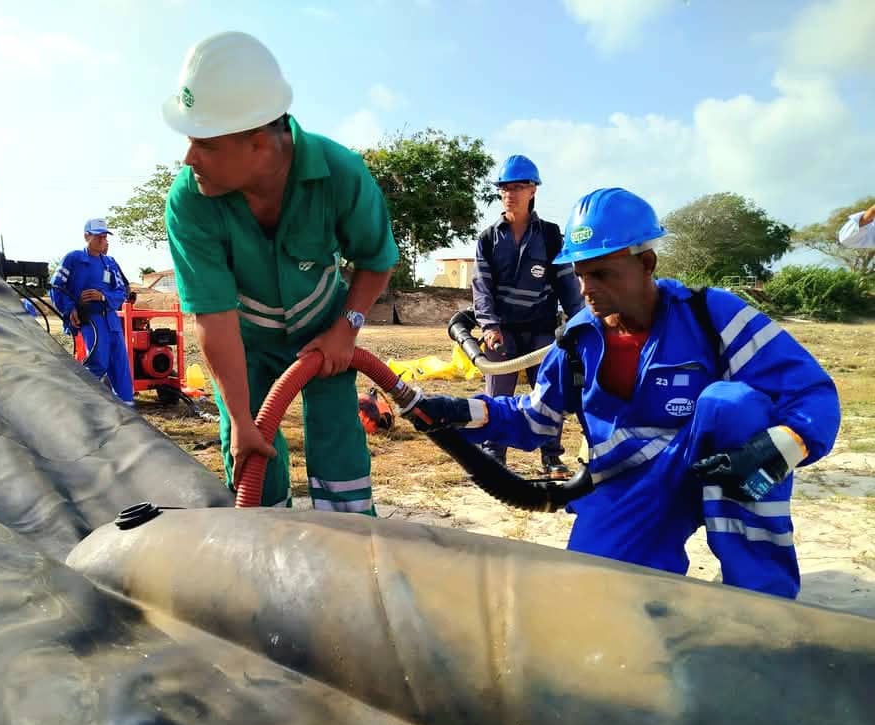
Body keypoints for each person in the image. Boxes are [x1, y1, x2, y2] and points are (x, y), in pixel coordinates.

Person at [409, 187, 840, 599]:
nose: (586, 288)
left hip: (720, 468)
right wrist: (459, 411)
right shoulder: (577, 341)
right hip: (632, 488)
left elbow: (811, 393)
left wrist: (787, 443)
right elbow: (535, 420)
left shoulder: (714, 317)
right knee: (597, 596)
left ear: (646, 263)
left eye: (601, 273)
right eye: (580, 274)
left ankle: (761, 603)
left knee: (731, 405)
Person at [162, 32, 398, 512]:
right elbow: (213, 314)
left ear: (258, 145)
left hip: (323, 336)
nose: (189, 158)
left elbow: (377, 261)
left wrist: (346, 329)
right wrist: (241, 417)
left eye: (203, 143)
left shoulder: (341, 174)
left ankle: (352, 551)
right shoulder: (189, 202)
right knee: (251, 458)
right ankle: (265, 554)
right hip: (243, 345)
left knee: (339, 451)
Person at [472, 154, 583, 476]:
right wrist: (489, 325)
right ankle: (494, 457)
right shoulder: (489, 238)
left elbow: (567, 286)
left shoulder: (550, 236)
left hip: (541, 331)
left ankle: (551, 457)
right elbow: (482, 286)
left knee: (549, 393)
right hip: (502, 331)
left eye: (519, 187)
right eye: (505, 187)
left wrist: (578, 325)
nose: (511, 193)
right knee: (497, 396)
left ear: (533, 190)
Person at [49, 218, 135, 406]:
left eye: (104, 236)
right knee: (98, 361)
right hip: (91, 320)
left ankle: (127, 407)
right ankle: (81, 405)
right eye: (97, 236)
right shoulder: (74, 259)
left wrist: (103, 296)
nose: (102, 240)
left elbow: (121, 291)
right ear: (86, 236)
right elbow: (56, 286)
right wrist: (69, 308)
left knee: (120, 364)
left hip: (111, 319)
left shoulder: (110, 263)